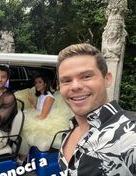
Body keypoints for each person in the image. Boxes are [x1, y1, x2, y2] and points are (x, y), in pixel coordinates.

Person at [57, 43, 136, 175]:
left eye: (86, 76)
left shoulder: (130, 134)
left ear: (107, 79)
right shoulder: (68, 134)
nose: (75, 86)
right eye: (66, 80)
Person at [18, 74, 55, 162]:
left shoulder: (49, 98)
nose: (37, 85)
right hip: (40, 119)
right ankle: (23, 156)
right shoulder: (41, 96)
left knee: (25, 128)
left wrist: (30, 120)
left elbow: (43, 116)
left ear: (45, 84)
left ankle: (23, 157)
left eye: (40, 82)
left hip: (46, 123)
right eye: (36, 82)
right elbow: (37, 110)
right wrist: (32, 104)